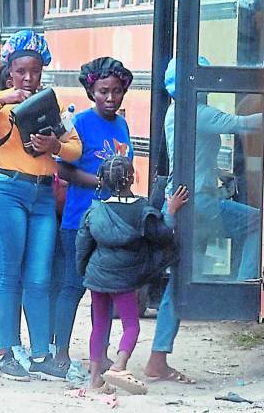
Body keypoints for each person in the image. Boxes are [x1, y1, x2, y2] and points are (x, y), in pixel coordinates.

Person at [0, 29, 82, 381]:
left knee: (40, 277)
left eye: (35, 70)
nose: (28, 78)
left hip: (43, 194)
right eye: (21, 71)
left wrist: (53, 146)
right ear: (9, 70)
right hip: (7, 192)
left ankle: (41, 354)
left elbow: (75, 148)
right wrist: (1, 99)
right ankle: (5, 351)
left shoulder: (51, 103)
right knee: (6, 273)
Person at [144, 59, 261, 382]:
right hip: (201, 206)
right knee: (258, 224)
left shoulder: (174, 111)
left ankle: (158, 358)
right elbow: (245, 124)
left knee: (178, 284)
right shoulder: (199, 113)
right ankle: (243, 287)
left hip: (183, 205)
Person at [76, 155, 188, 395]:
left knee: (100, 325)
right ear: (133, 177)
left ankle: (95, 380)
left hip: (97, 275)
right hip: (124, 277)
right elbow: (164, 235)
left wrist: (84, 271)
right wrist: (171, 210)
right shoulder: (142, 211)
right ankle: (119, 365)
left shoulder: (95, 211)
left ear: (103, 181)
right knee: (130, 325)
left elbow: (82, 244)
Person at [53, 57, 134, 373]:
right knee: (73, 286)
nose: (111, 98)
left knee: (106, 291)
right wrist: (100, 181)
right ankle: (60, 353)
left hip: (112, 221)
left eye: (116, 91)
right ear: (91, 91)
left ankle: (99, 353)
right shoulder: (80, 124)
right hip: (79, 221)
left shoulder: (123, 124)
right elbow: (62, 168)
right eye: (103, 92)